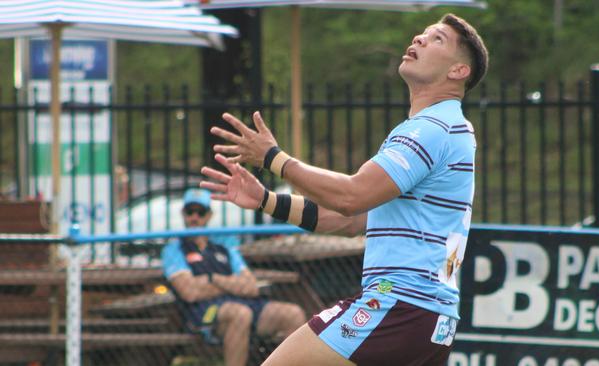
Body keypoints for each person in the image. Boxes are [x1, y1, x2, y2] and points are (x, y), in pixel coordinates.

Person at [200, 13, 488, 366]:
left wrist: (274, 158)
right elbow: (345, 219)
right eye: (423, 33)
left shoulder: (432, 128)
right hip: (430, 318)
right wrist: (266, 199)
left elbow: (350, 197)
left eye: (437, 39)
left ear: (459, 71)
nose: (419, 39)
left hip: (396, 302)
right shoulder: (447, 129)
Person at [161, 188, 306, 366]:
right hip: (204, 314)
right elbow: (190, 293)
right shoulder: (174, 250)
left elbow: (251, 287)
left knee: (293, 314)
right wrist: (233, 284)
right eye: (190, 211)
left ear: (209, 215)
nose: (195, 217)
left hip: (244, 303)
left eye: (201, 212)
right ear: (183, 213)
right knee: (239, 314)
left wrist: (213, 279)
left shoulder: (224, 248)